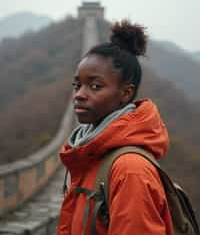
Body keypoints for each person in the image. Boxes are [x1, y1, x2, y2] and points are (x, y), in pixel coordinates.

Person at [57, 20, 174, 235]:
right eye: (77, 85)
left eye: (95, 86)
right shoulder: (88, 154)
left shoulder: (130, 171)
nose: (79, 94)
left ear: (126, 93)